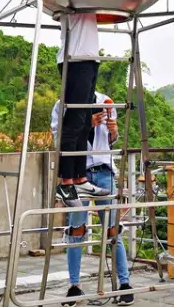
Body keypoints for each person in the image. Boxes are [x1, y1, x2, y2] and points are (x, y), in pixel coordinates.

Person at [51, 91, 134, 306]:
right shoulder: (64, 104)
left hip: (104, 171)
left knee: (113, 229)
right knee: (76, 229)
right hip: (78, 173)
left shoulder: (105, 100)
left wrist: (113, 131)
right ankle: (74, 286)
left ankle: (124, 284)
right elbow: (59, 139)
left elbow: (110, 141)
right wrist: (85, 125)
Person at [54, 13, 111, 206]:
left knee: (84, 123)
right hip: (75, 60)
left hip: (89, 59)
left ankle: (80, 178)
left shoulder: (90, 7)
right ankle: (66, 181)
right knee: (74, 120)